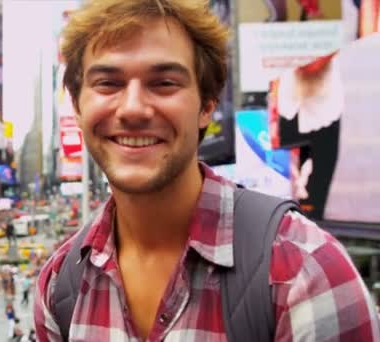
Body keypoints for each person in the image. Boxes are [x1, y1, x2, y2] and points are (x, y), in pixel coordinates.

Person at [33, 1, 380, 341]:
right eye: (108, 83)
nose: (134, 109)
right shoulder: (59, 284)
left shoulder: (307, 272)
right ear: (77, 106)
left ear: (207, 107)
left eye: (164, 83)